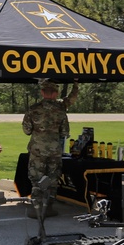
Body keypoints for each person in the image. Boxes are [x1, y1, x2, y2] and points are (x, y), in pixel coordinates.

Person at [22, 80, 71, 214]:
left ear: (42, 92)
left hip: (37, 149)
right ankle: (48, 207)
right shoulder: (61, 111)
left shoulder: (33, 109)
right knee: (52, 177)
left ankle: (37, 208)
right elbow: (65, 132)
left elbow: (26, 130)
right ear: (55, 93)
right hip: (54, 150)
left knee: (37, 177)